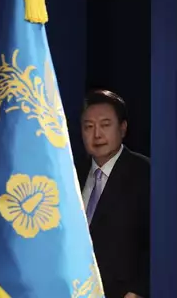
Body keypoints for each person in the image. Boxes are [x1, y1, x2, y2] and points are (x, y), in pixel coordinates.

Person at [77, 89, 150, 298]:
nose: (97, 134)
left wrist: (138, 290)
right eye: (89, 127)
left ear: (123, 128)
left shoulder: (145, 173)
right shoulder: (72, 173)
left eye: (105, 125)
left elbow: (155, 241)